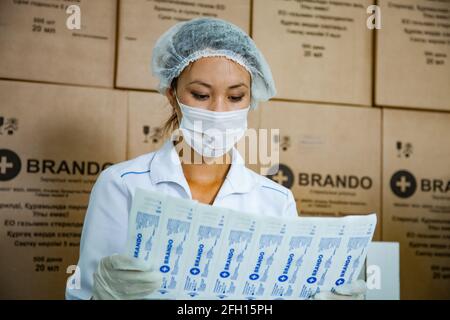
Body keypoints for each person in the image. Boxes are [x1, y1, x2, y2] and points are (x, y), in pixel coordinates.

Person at [65, 17, 366, 300]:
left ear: (252, 99)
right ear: (172, 93)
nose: (219, 111)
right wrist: (101, 296)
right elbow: (84, 293)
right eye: (200, 94)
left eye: (235, 97)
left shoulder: (275, 201)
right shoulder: (122, 185)